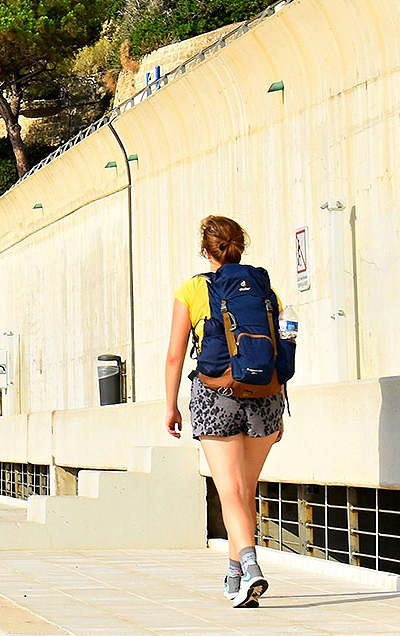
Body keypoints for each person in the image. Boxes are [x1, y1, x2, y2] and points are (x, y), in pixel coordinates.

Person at [164, 214, 284, 609]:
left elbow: (174, 356)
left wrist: (171, 406)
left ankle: (250, 565)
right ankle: (234, 576)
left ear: (206, 249)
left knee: (229, 491)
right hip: (266, 396)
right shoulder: (266, 290)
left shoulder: (193, 290)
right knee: (245, 491)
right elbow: (277, 349)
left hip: (216, 395)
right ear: (240, 246)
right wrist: (280, 405)